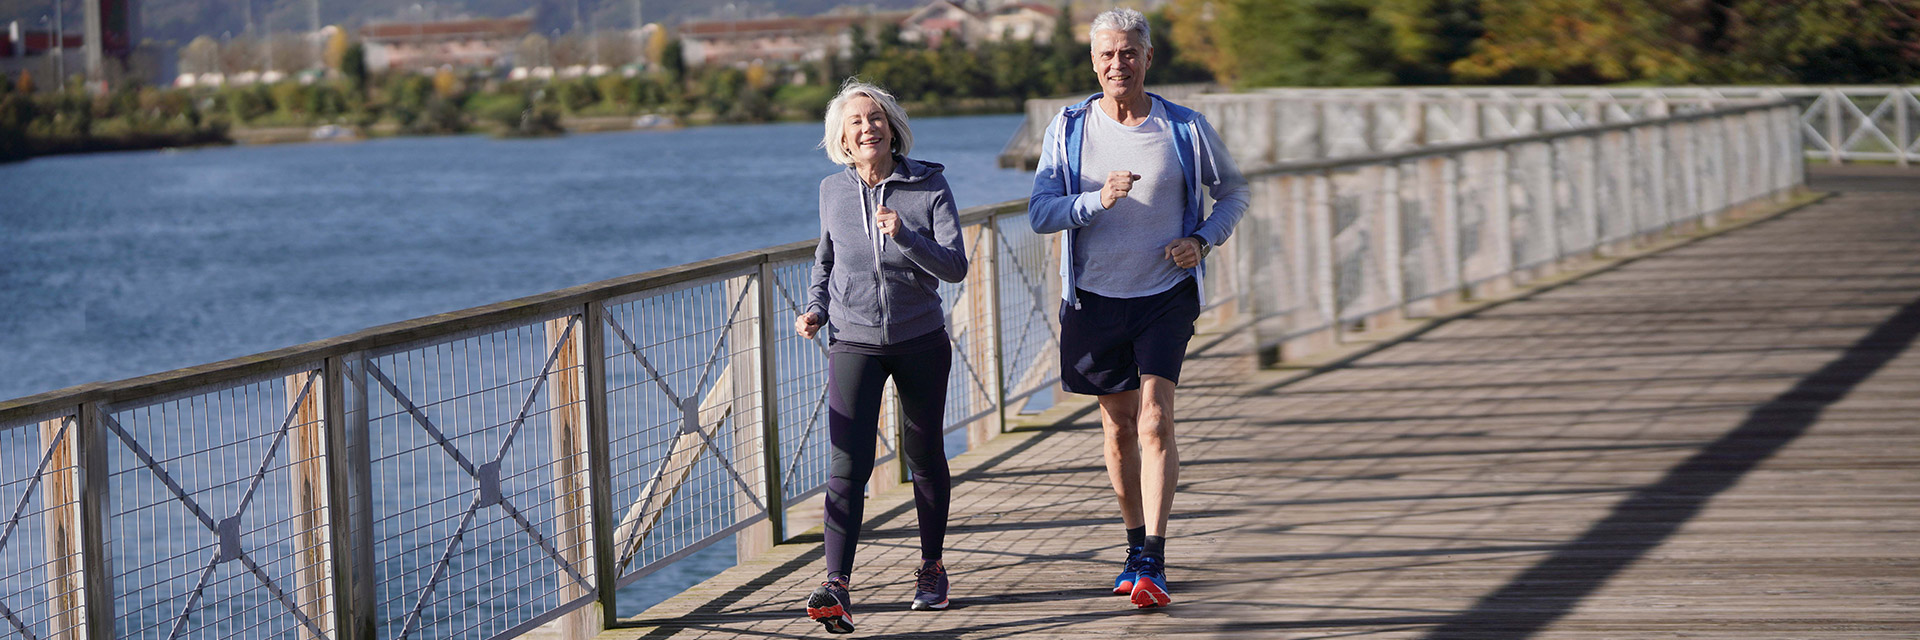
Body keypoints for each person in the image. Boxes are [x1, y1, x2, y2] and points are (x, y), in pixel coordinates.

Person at [1027, 7, 1250, 610]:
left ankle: (1154, 552)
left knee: (1155, 418)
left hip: (1163, 296)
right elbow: (1041, 211)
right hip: (1095, 298)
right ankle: (1132, 546)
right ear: (1093, 62)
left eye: (1129, 53)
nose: (1117, 64)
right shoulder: (1069, 128)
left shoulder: (1185, 127)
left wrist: (1201, 239)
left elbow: (1234, 192)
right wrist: (1095, 199)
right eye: (1106, 54)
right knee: (1119, 427)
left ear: (1148, 59)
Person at [797, 80, 969, 634]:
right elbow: (825, 263)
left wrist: (907, 237)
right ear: (842, 137)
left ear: (892, 128)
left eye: (875, 118)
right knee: (848, 464)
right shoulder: (831, 191)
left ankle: (931, 569)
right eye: (855, 122)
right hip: (854, 341)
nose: (867, 128)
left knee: (924, 456)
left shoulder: (929, 185)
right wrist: (815, 310)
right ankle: (837, 587)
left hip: (920, 339)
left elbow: (956, 267)